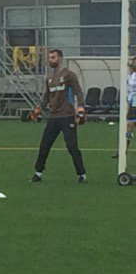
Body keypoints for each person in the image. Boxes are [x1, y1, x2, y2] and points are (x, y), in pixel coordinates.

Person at [30, 48, 86, 183]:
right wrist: (38, 109)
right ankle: (38, 173)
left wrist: (81, 109)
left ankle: (81, 174)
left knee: (72, 146)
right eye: (49, 58)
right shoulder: (48, 78)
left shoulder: (69, 75)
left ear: (60, 58)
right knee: (44, 145)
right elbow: (46, 97)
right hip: (53, 116)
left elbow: (78, 92)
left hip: (67, 115)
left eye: (53, 57)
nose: (51, 60)